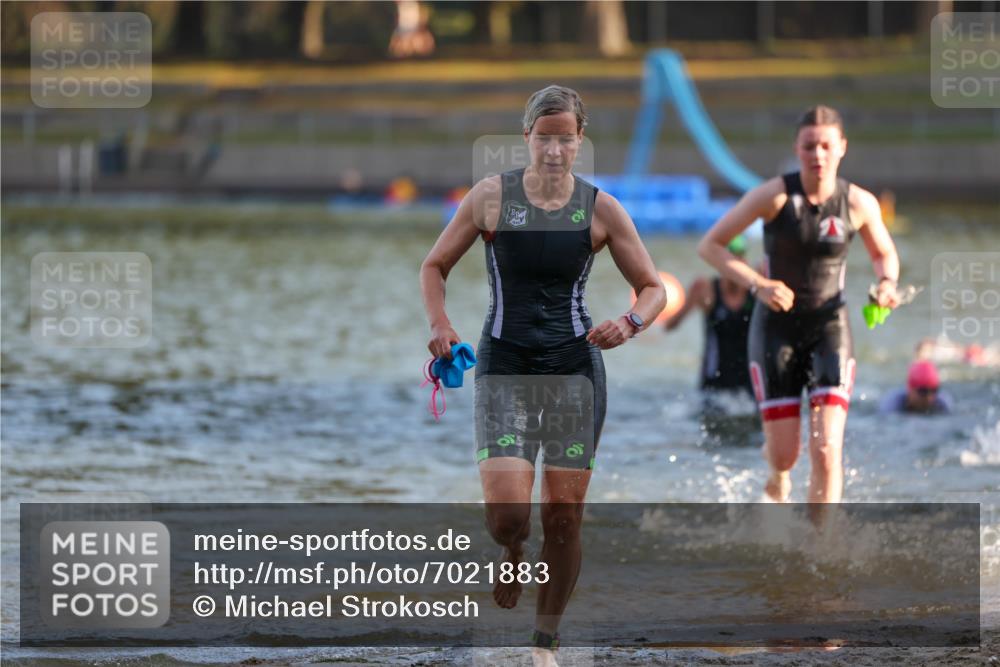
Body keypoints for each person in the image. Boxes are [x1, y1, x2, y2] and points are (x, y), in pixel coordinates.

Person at [419, 85, 665, 666]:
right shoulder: (490, 199)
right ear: (526, 136)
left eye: (566, 138)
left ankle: (544, 643)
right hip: (503, 364)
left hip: (574, 369)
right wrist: (439, 322)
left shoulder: (602, 209)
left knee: (563, 513)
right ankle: (512, 549)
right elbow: (434, 265)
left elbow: (654, 289)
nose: (554, 150)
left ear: (580, 141)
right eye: (543, 137)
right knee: (508, 515)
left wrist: (629, 323)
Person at [697, 105, 900, 504]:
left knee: (826, 450)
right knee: (786, 455)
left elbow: (883, 255)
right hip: (776, 328)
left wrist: (887, 284)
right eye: (810, 146)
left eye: (826, 145)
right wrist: (758, 284)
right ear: (797, 148)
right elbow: (710, 245)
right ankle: (776, 470)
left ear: (841, 147)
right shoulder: (772, 197)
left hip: (830, 326)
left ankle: (820, 544)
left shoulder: (858, 202)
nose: (818, 155)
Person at [664, 236, 758, 443]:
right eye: (729, 260)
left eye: (739, 259)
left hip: (749, 384)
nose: (735, 266)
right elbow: (671, 325)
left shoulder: (757, 291)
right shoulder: (707, 290)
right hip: (714, 384)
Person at [879, 360, 953, 415]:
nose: (929, 397)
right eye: (923, 391)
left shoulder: (943, 404)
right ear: (910, 390)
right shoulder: (892, 405)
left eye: (934, 390)